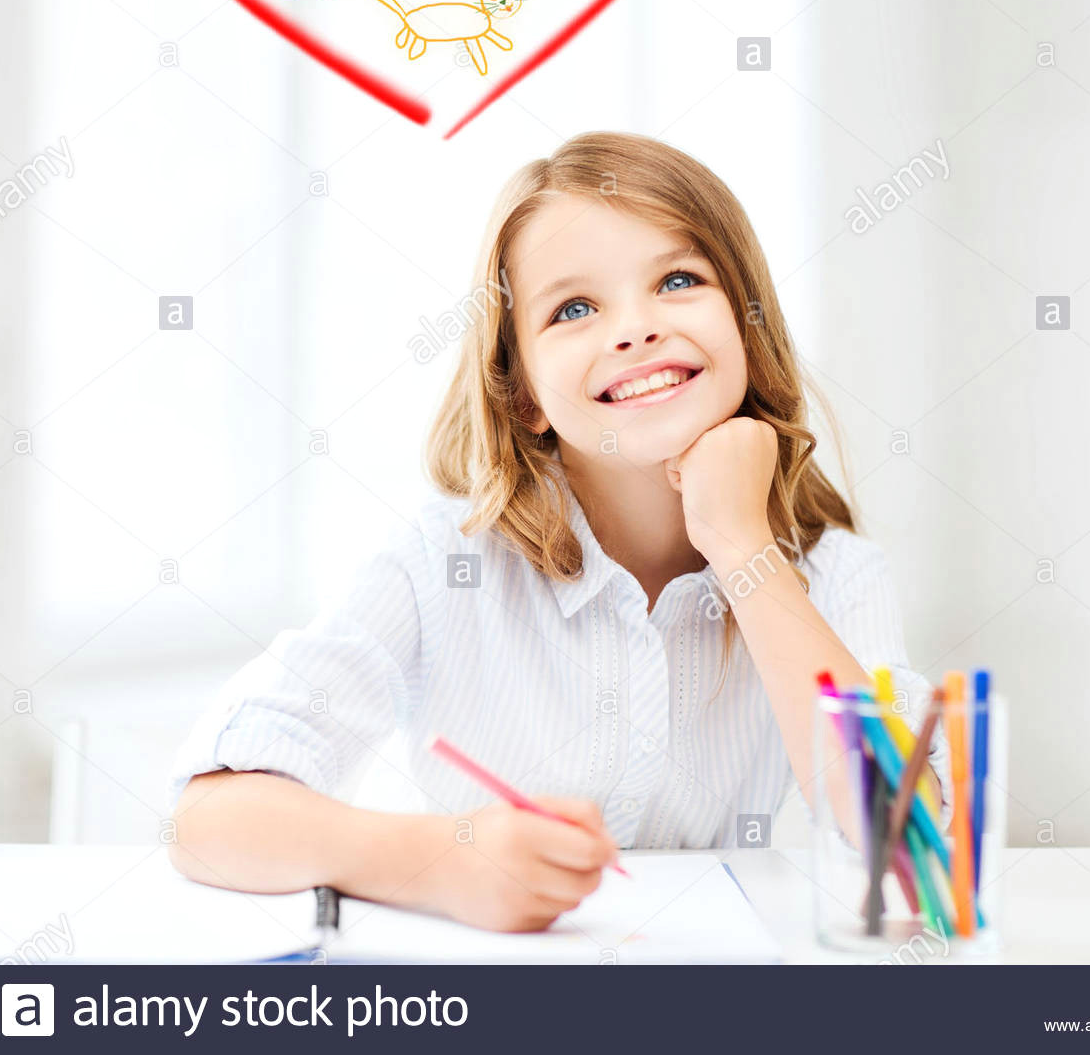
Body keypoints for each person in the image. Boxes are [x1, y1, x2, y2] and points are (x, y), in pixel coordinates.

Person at [167, 131, 952, 934]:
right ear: (524, 398)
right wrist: (445, 862)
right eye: (574, 308)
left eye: (679, 279)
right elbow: (205, 822)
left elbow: (910, 840)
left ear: (746, 328)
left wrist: (745, 550)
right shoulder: (442, 562)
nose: (634, 329)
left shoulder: (831, 574)